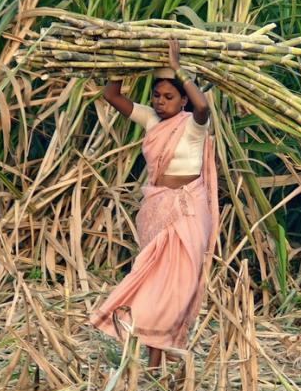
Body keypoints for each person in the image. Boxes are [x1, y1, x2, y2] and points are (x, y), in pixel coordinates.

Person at [90, 40, 218, 369]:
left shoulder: (193, 125)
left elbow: (203, 108)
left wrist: (178, 68)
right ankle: (153, 360)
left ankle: (161, 357)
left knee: (175, 288)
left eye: (169, 96)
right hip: (157, 211)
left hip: (188, 212)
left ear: (183, 99)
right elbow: (112, 96)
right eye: (157, 96)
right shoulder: (151, 121)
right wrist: (123, 63)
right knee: (150, 281)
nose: (160, 103)